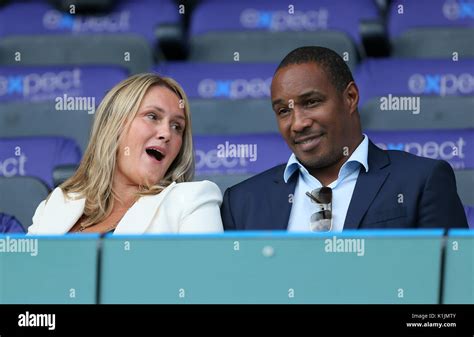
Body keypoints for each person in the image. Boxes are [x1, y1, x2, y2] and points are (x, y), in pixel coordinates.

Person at [221, 46, 468, 231]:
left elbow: (454, 286)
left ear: (350, 97)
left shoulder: (421, 181)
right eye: (284, 111)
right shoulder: (242, 202)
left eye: (311, 102)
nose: (298, 123)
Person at [28, 74, 223, 235]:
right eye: (152, 116)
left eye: (177, 126)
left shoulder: (192, 200)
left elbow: (205, 280)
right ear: (114, 126)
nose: (166, 134)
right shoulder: (56, 203)